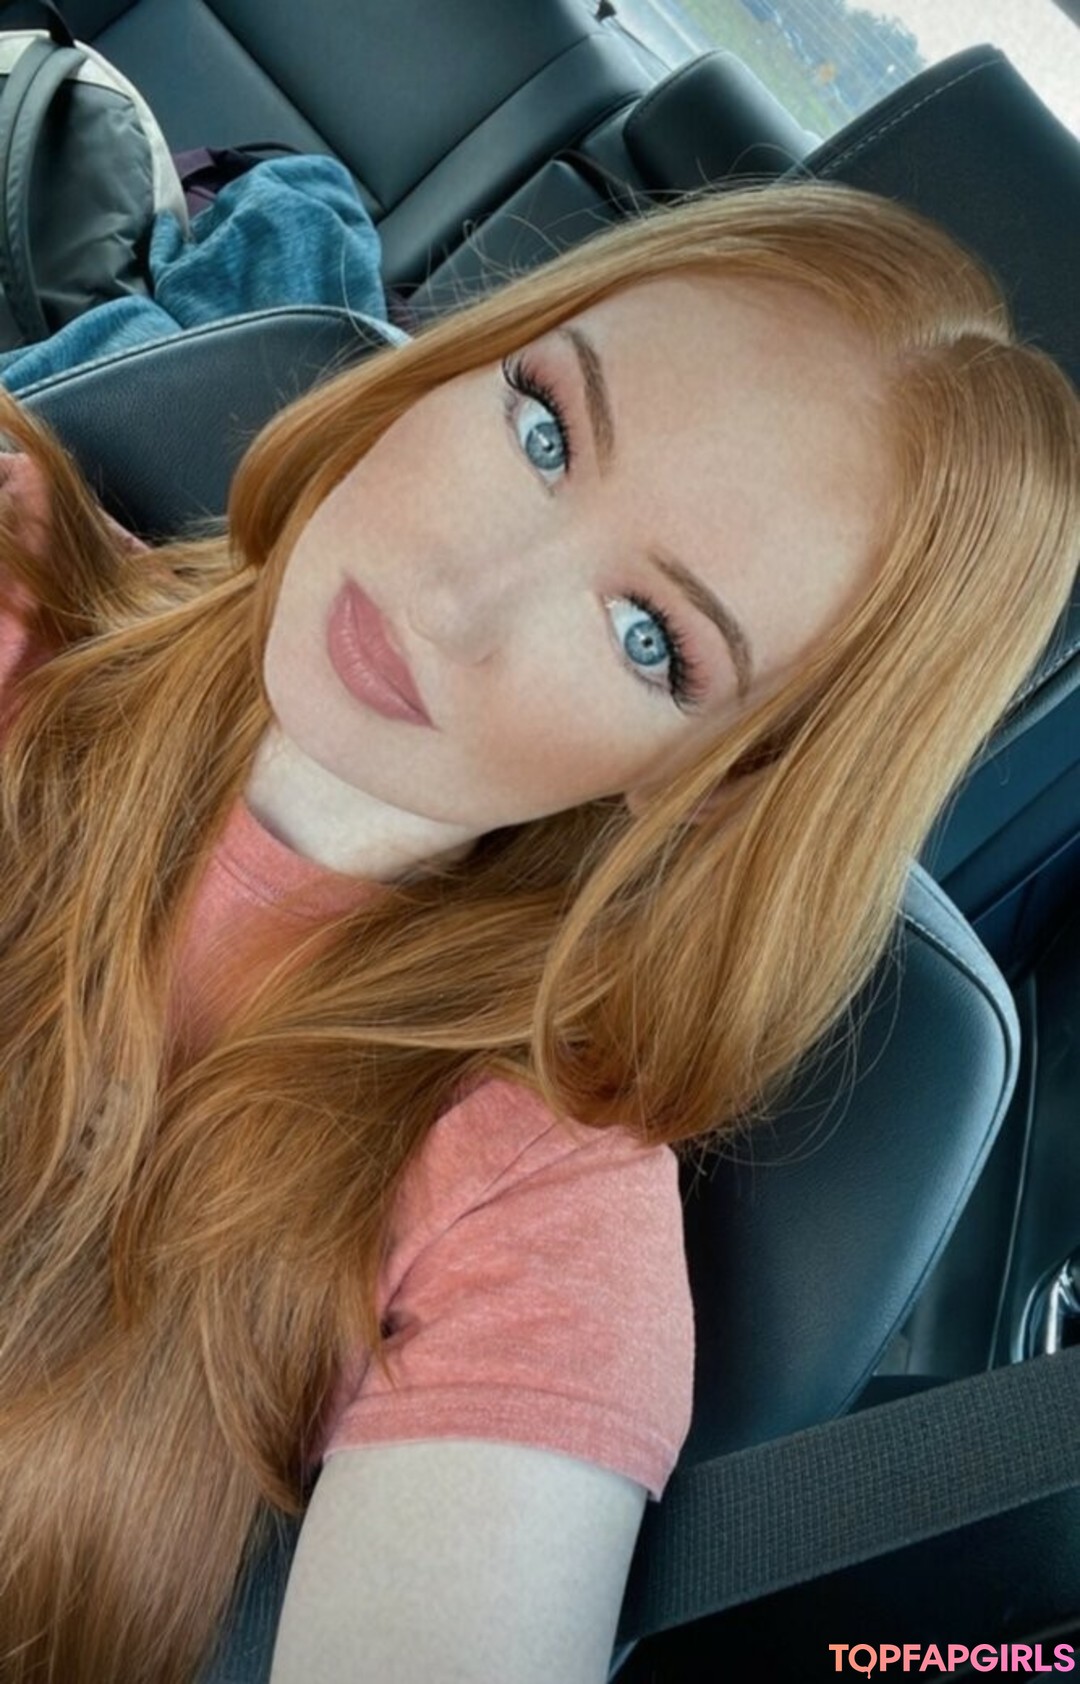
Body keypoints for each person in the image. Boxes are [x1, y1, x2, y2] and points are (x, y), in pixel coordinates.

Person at [0, 177, 1076, 1684]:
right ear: (470, 356)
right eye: (546, 429)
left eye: (649, 637)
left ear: (716, 781)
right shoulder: (23, 553)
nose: (459, 596)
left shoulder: (527, 1212)